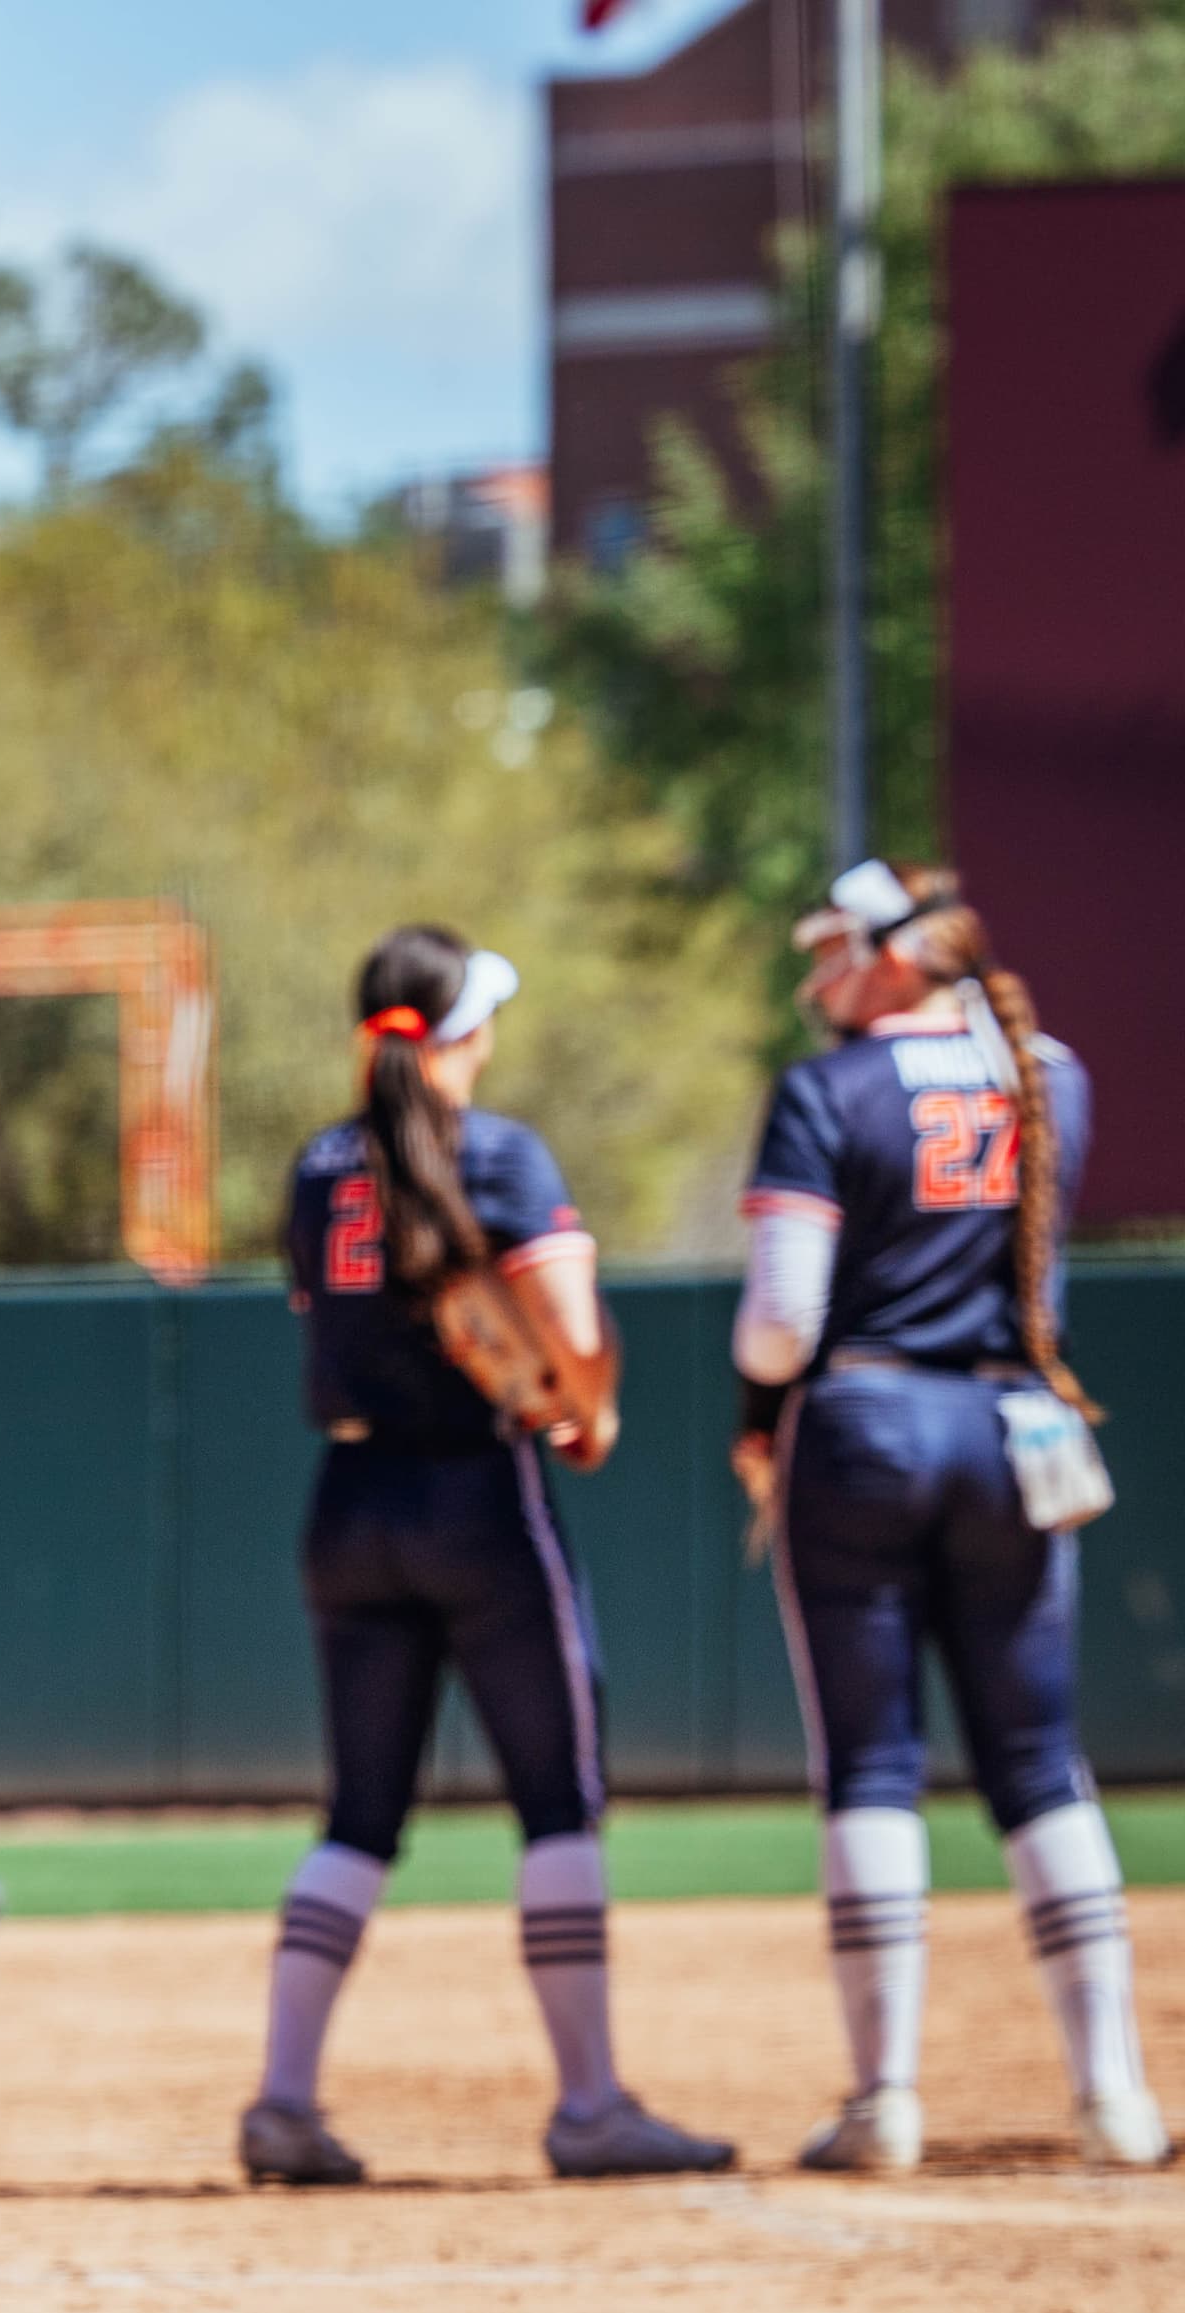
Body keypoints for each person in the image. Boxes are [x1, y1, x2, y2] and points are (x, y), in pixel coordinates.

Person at [240, 925, 736, 2187]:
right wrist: (591, 1406)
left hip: (346, 1499)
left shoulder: (316, 1166)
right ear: (464, 1033)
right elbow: (570, 1326)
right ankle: (588, 2107)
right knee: (556, 1801)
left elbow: (324, 1312)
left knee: (359, 1815)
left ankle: (283, 2102)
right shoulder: (498, 1153)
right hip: (476, 1492)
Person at [735, 860, 1169, 2173]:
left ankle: (887, 2103)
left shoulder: (826, 1092)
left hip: (867, 1425)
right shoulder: (1056, 1075)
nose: (820, 981)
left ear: (901, 956)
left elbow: (779, 1327)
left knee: (873, 1766)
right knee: (1040, 1759)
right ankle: (1115, 2100)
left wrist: (761, 1405)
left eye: (835, 953)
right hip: (1012, 1430)